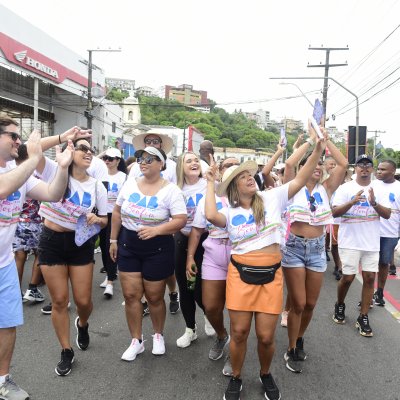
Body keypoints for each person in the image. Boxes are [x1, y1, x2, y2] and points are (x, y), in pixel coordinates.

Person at [205, 136, 326, 400]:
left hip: (271, 277)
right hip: (239, 275)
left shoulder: (273, 198)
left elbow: (301, 176)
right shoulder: (230, 211)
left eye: (250, 174)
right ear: (234, 187)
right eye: (242, 176)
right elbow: (210, 216)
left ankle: (265, 373)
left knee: (266, 337)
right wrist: (208, 183)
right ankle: (236, 376)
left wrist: (317, 149)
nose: (250, 177)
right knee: (238, 333)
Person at [0, 115, 73, 399]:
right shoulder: (16, 172)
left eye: (20, 138)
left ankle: (3, 380)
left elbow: (53, 194)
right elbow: (3, 188)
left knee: (7, 324)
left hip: (5, 263)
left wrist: (63, 168)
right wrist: (33, 156)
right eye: (12, 136)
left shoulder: (18, 172)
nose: (18, 142)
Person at [37, 137, 108, 376]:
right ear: (70, 150)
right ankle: (66, 350)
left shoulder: (97, 186)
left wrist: (97, 219)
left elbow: (105, 219)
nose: (89, 152)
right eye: (83, 148)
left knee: (84, 301)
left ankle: (82, 323)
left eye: (92, 149)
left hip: (81, 243)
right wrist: (60, 139)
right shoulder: (54, 171)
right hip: (51, 241)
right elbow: (33, 151)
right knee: (59, 301)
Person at [281, 127, 348, 373]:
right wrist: (311, 142)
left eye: (320, 164)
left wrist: (325, 140)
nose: (317, 166)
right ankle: (290, 348)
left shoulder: (326, 189)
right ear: (305, 168)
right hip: (294, 248)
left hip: (318, 250)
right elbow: (289, 162)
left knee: (310, 304)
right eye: (313, 164)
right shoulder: (292, 185)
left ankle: (299, 338)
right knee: (297, 303)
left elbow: (343, 164)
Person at [110, 146, 186, 361]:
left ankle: (158, 335)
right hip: (128, 244)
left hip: (158, 247)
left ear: (161, 164)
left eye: (150, 159)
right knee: (131, 295)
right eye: (142, 159)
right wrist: (113, 240)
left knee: (153, 297)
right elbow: (117, 211)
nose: (144, 162)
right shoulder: (130, 184)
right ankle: (136, 340)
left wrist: (157, 230)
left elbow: (181, 219)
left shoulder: (171, 190)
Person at [188, 157, 239, 370]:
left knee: (237, 311)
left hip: (240, 257)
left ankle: (235, 355)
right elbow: (197, 229)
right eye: (227, 165)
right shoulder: (207, 198)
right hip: (213, 255)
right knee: (211, 306)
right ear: (219, 171)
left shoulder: (249, 197)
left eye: (236, 165)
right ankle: (221, 335)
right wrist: (190, 256)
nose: (231, 168)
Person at [332, 154, 391, 337]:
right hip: (350, 241)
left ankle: (363, 316)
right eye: (360, 164)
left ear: (372, 169)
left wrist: (373, 203)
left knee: (369, 279)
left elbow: (387, 214)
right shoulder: (345, 188)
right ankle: (340, 304)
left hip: (371, 242)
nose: (364, 167)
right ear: (355, 167)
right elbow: (334, 212)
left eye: (368, 164)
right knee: (348, 278)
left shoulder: (379, 189)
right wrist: (351, 202)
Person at [130, 131, 180, 313]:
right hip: (138, 224)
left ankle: (173, 292)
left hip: (163, 224)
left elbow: (177, 193)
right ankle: (145, 300)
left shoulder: (172, 166)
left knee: (166, 270)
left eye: (155, 141)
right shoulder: (136, 167)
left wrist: (169, 225)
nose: (151, 143)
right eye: (148, 141)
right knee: (141, 268)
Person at [174, 152, 210, 349]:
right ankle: (190, 329)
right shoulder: (175, 189)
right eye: (189, 161)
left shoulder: (208, 185)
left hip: (206, 242)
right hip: (181, 241)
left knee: (199, 289)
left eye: (196, 160)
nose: (194, 163)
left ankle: (209, 316)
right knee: (184, 288)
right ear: (181, 166)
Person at [11, 144, 45, 303]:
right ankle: (32, 288)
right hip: (34, 222)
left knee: (19, 256)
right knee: (40, 254)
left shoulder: (11, 175)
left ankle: (16, 291)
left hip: (17, 221)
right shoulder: (34, 178)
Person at [98, 148, 127, 298]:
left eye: (110, 158)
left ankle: (110, 281)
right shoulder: (99, 174)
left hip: (115, 215)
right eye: (105, 158)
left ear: (118, 160)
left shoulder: (123, 177)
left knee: (111, 244)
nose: (107, 161)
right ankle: (109, 272)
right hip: (101, 213)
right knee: (103, 246)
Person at [372, 160, 400, 306]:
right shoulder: (373, 185)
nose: (379, 171)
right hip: (370, 231)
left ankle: (380, 292)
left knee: (384, 262)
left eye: (383, 169)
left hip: (390, 233)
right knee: (369, 263)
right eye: (378, 169)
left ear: (393, 172)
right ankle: (368, 293)